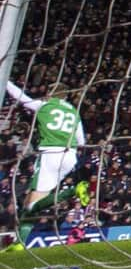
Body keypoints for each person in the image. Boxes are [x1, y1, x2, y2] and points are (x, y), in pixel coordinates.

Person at [3, 81, 89, 251]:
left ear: (51, 93)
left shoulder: (45, 105)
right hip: (69, 156)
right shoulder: (74, 112)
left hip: (50, 155)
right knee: (30, 202)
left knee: (32, 205)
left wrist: (5, 80)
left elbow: (21, 98)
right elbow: (82, 141)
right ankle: (19, 242)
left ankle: (73, 190)